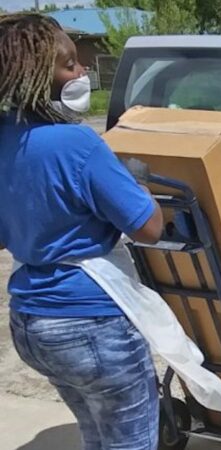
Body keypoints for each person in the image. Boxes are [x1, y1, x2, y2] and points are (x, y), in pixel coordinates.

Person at [0, 14, 164, 450]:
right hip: (90, 323)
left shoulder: (4, 140)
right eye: (69, 64)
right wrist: (139, 191)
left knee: (97, 433)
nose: (81, 73)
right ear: (36, 74)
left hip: (32, 324)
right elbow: (148, 228)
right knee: (130, 442)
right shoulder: (78, 144)